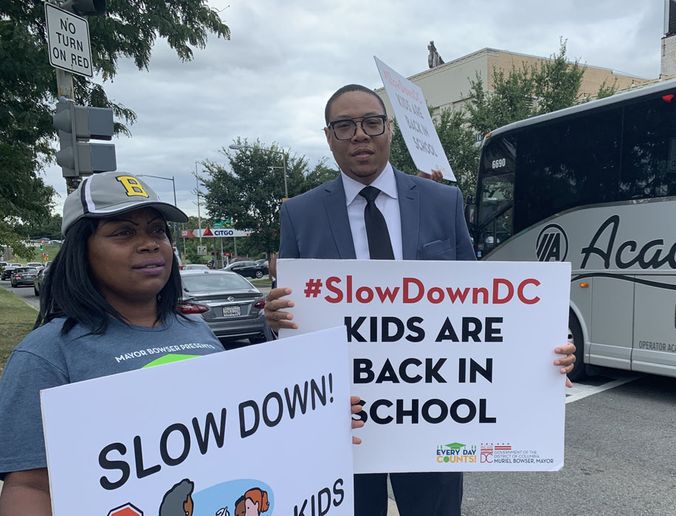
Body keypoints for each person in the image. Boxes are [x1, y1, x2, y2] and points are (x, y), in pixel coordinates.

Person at [265, 84, 576, 516]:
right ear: (329, 136)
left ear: (388, 130)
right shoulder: (299, 214)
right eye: (345, 125)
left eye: (372, 122)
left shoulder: (441, 200)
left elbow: (480, 306)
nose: (360, 134)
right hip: (344, 421)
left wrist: (542, 352)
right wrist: (275, 318)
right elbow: (290, 322)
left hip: (431, 419)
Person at [0, 174, 363, 513]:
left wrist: (315, 417)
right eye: (123, 233)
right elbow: (30, 487)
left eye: (157, 231)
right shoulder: (46, 355)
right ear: (82, 249)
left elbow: (240, 433)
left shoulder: (196, 329)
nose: (148, 244)